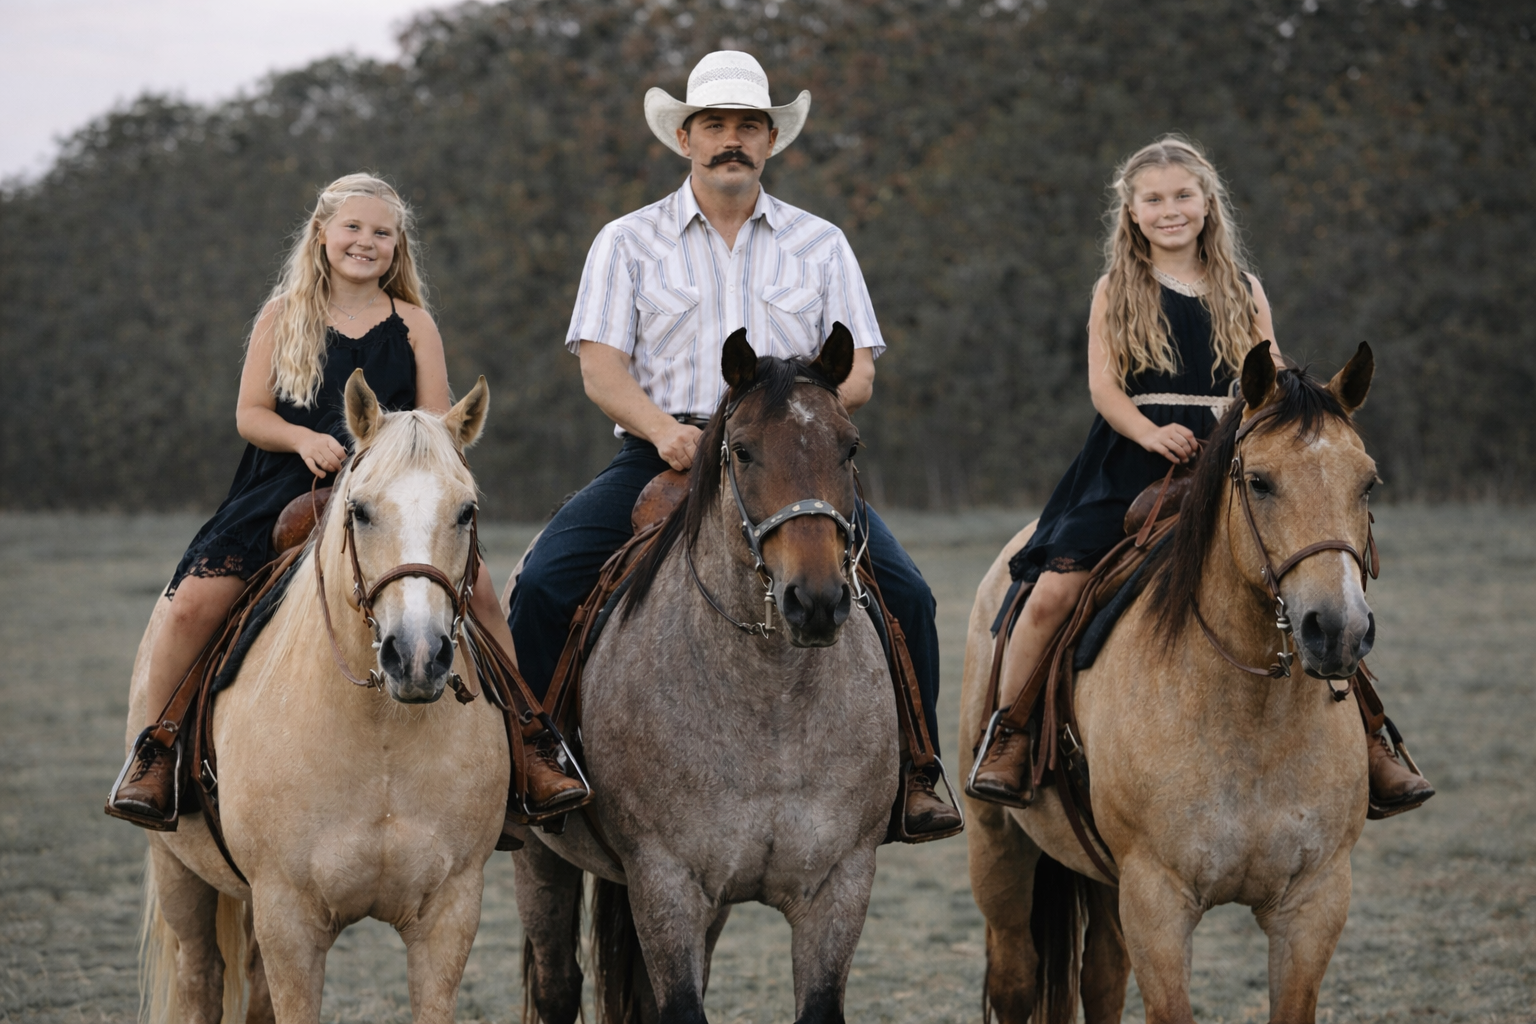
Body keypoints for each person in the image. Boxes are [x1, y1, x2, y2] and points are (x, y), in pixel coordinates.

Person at [505, 50, 961, 837]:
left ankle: (918, 772)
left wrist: (789, 421)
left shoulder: (821, 244)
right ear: (684, 136)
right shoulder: (627, 240)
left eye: (749, 127)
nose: (731, 141)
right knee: (544, 581)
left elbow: (857, 377)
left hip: (792, 462)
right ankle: (534, 763)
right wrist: (665, 432)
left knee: (909, 596)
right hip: (664, 451)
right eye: (714, 125)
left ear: (771, 142)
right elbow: (601, 370)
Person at [967, 137, 1434, 813]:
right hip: (1130, 461)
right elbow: (1103, 389)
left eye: (1183, 195)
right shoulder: (1115, 289)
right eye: (1152, 199)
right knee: (1051, 593)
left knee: (1316, 583)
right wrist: (1150, 431)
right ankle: (1009, 734)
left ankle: (1372, 740)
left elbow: (1266, 381)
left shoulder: (1245, 291)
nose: (1169, 209)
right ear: (1130, 212)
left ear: (1209, 204)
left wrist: (1240, 429)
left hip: (1230, 462)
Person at [109, 174, 584, 828]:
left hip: (389, 490)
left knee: (481, 598)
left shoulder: (414, 323)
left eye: (381, 232)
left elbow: (439, 423)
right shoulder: (284, 315)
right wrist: (304, 438)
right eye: (353, 228)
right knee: (191, 604)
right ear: (322, 234)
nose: (366, 241)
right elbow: (250, 414)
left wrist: (401, 457)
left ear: (398, 246)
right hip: (282, 485)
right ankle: (157, 751)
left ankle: (527, 746)